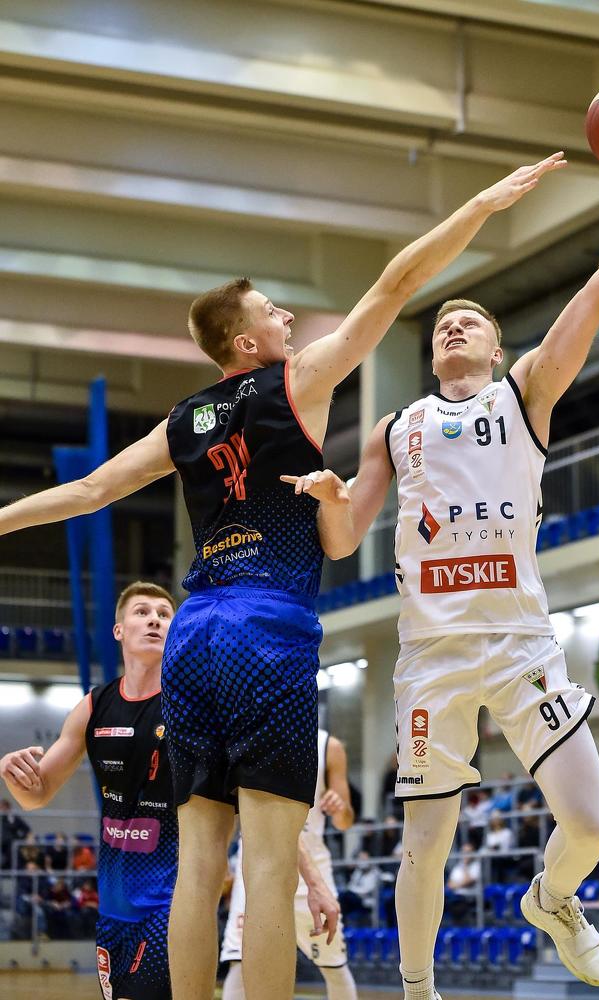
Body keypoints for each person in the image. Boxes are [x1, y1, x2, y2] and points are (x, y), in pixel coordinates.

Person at [0, 152, 566, 1000]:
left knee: (198, 863)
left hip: (194, 628)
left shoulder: (182, 419)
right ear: (246, 343)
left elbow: (87, 492)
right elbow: (396, 283)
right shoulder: (296, 380)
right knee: (267, 868)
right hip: (265, 626)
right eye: (273, 310)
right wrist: (481, 205)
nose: (289, 316)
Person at [286, 117, 599, 997]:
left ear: (497, 348)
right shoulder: (395, 428)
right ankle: (418, 991)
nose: (451, 327)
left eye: (467, 321)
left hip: (519, 643)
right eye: (441, 324)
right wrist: (328, 500)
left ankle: (552, 899)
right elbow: (344, 540)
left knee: (590, 825)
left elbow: (597, 290)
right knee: (423, 844)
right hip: (430, 656)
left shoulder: (524, 393)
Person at [0, 582, 178, 1000]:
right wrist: (13, 773)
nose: (154, 619)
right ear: (119, 630)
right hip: (112, 908)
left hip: (169, 902)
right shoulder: (93, 706)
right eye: (142, 612)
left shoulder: (188, 704)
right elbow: (36, 795)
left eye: (164, 614)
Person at [221, 730, 358, 1000]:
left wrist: (340, 808)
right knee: (239, 961)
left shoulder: (329, 746)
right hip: (256, 861)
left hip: (313, 867)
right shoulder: (251, 732)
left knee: (333, 965)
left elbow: (345, 822)